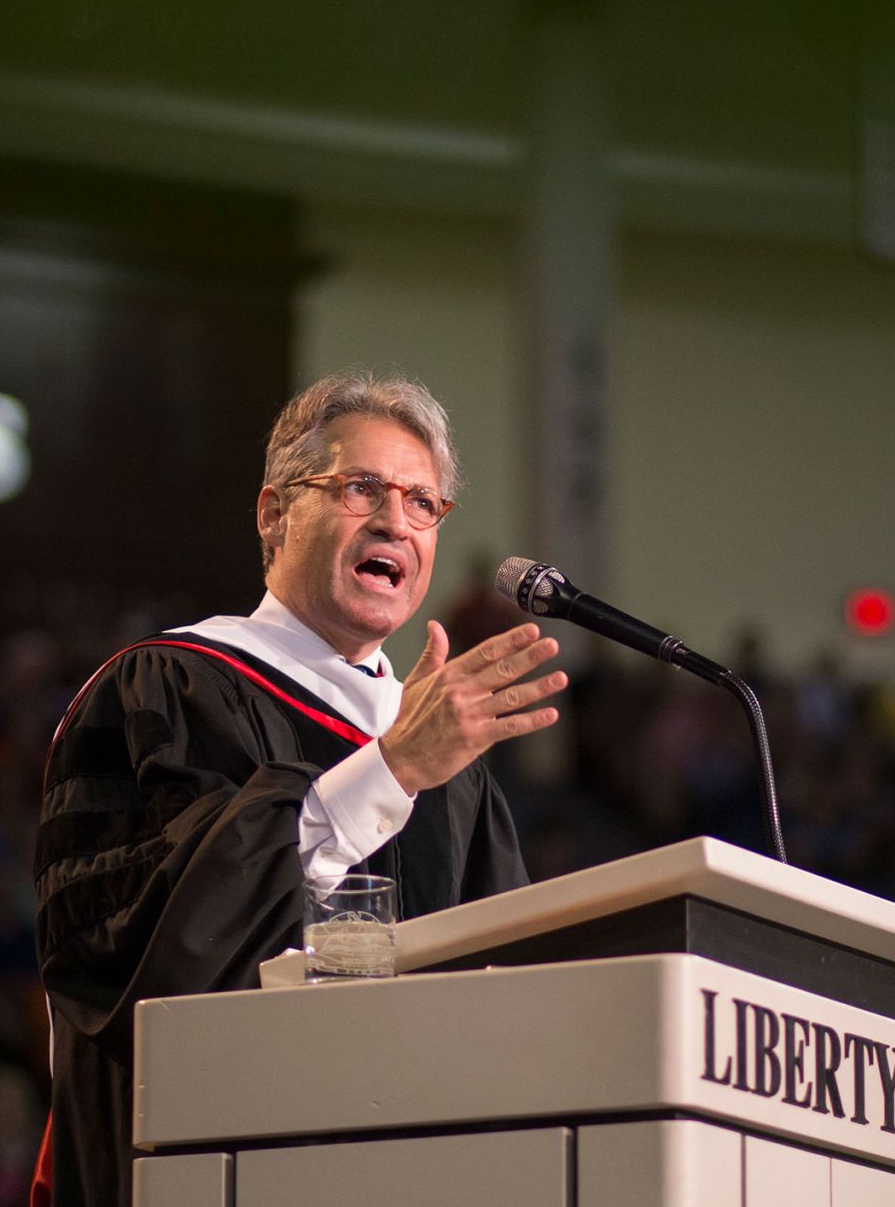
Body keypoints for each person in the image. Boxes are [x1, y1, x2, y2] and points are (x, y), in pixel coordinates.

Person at [32, 372, 568, 1207]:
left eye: (423, 502)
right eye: (362, 488)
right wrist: (386, 775)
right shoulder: (164, 690)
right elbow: (141, 957)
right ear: (274, 513)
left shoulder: (453, 764)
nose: (396, 519)